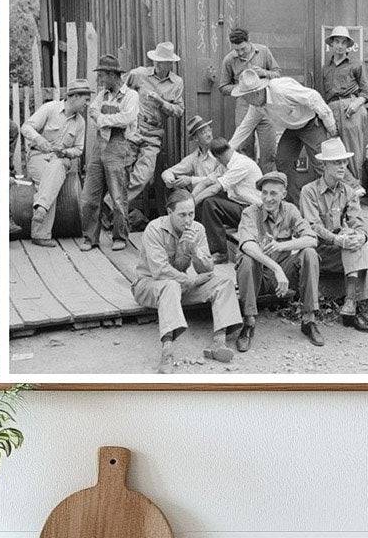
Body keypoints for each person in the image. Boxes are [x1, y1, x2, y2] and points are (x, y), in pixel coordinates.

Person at [132, 188, 243, 373]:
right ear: (169, 212)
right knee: (171, 284)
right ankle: (167, 352)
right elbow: (160, 272)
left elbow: (206, 270)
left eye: (191, 213)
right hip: (148, 286)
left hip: (179, 288)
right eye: (182, 215)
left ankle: (219, 342)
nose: (188, 219)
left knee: (224, 283)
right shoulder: (154, 229)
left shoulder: (197, 229)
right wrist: (191, 281)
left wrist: (194, 251)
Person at [234, 171, 323, 352]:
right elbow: (247, 245)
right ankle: (249, 321)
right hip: (258, 277)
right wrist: (276, 268)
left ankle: (309, 319)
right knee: (246, 259)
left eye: (273, 193)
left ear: (283, 195)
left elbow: (311, 239)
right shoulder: (250, 212)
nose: (268, 198)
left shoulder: (290, 210)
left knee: (309, 253)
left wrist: (281, 246)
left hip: (284, 274)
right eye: (264, 193)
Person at [299, 138, 368, 332]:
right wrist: (336, 239)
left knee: (356, 242)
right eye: (336, 162)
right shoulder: (309, 191)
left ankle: (350, 306)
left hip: (339, 250)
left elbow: (358, 222)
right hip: (317, 250)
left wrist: (361, 236)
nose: (342, 166)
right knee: (347, 244)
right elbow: (312, 225)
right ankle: (351, 309)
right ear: (324, 165)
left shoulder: (349, 192)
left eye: (344, 162)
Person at [229, 68, 339, 205]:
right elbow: (245, 127)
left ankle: (333, 203)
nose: (244, 100)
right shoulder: (256, 106)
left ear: (255, 93)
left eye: (245, 96)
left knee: (322, 163)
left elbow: (313, 97)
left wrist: (330, 126)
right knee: (283, 161)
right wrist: (228, 150)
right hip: (292, 128)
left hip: (311, 122)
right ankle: (296, 205)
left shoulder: (280, 89)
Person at [79, 54, 139, 251]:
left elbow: (127, 118)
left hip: (119, 146)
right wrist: (108, 117)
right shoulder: (101, 95)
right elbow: (92, 111)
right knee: (89, 196)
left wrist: (103, 119)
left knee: (118, 196)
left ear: (114, 75)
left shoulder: (131, 95)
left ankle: (119, 236)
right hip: (99, 146)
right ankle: (90, 238)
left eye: (103, 75)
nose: (100, 80)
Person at [20, 79, 90, 246]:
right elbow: (26, 127)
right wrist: (39, 139)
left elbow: (79, 149)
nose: (87, 104)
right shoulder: (50, 108)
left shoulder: (80, 122)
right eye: (85, 99)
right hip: (39, 158)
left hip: (60, 161)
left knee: (56, 168)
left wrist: (65, 151)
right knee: (51, 182)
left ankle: (41, 213)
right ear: (74, 97)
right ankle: (41, 224)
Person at [123, 41, 184, 214]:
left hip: (154, 134)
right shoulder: (139, 74)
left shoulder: (177, 83)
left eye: (162, 61)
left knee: (144, 175)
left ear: (170, 63)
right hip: (134, 129)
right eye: (155, 59)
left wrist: (161, 102)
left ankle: (111, 205)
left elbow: (179, 111)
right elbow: (120, 91)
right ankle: (115, 212)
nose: (157, 63)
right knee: (122, 170)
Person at [218, 28, 280, 171]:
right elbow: (223, 87)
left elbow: (278, 74)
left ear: (249, 41)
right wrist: (241, 87)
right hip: (244, 107)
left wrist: (264, 73)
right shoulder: (229, 60)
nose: (240, 53)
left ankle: (267, 187)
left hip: (265, 104)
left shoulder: (263, 51)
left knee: (269, 152)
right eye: (236, 50)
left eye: (242, 49)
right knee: (244, 151)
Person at [191, 138, 263, 258]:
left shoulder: (241, 164)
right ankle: (200, 241)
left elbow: (215, 188)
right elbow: (206, 183)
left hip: (253, 212)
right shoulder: (226, 164)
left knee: (210, 203)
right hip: (239, 204)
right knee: (204, 199)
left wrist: (191, 204)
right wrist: (190, 199)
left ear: (218, 156)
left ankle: (220, 253)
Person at [321, 26, 368, 178]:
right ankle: (340, 192)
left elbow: (366, 92)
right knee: (334, 152)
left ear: (348, 45)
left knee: (352, 151)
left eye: (344, 42)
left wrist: (356, 104)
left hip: (350, 109)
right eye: (337, 41)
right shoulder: (326, 68)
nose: (340, 45)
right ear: (331, 44)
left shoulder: (355, 65)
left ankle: (356, 193)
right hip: (331, 110)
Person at [161, 115, 222, 191]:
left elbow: (220, 179)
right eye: (204, 132)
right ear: (196, 138)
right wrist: (171, 181)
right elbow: (167, 172)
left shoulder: (220, 151)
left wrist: (190, 180)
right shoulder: (194, 158)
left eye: (209, 130)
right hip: (201, 198)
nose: (209, 135)